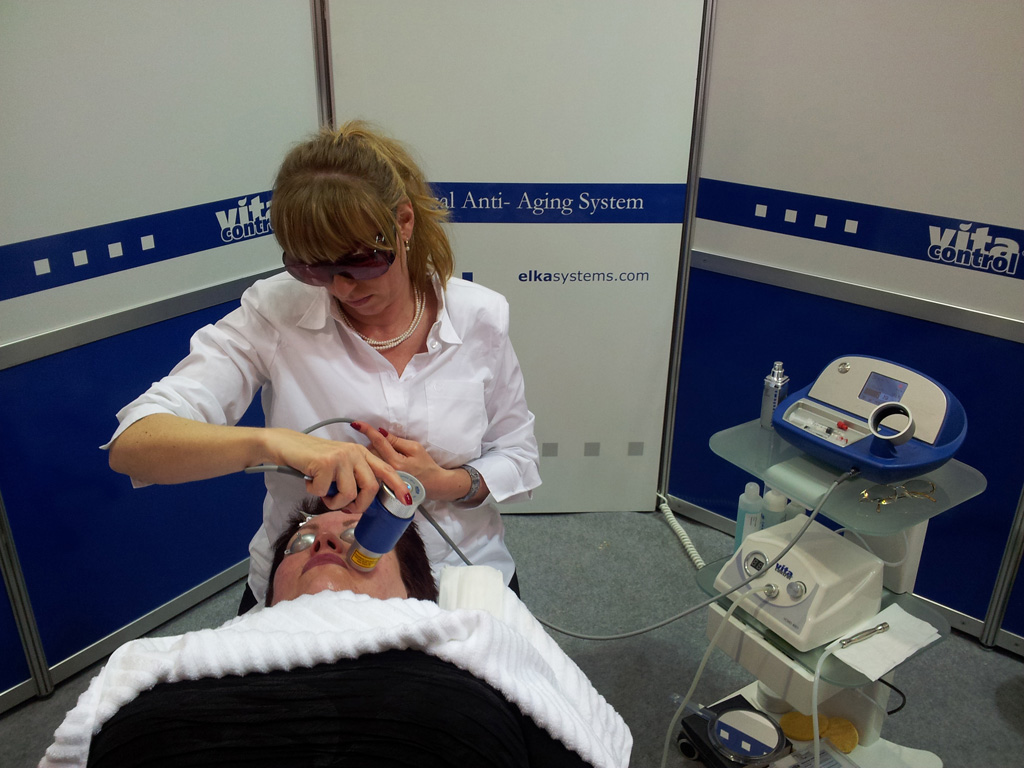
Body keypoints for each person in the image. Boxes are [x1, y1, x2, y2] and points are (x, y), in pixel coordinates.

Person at [105, 121, 541, 610]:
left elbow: (517, 454)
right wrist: (278, 444)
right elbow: (133, 446)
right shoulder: (274, 313)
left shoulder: (479, 317)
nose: (342, 288)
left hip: (456, 579)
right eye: (312, 268)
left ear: (403, 222)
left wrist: (446, 483)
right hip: (309, 586)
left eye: (360, 263)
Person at [40, 501, 632, 768]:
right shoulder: (160, 661)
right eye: (301, 539)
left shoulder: (463, 637)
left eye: (357, 535)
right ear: (271, 595)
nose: (322, 537)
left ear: (416, 590)